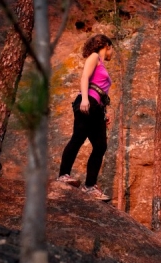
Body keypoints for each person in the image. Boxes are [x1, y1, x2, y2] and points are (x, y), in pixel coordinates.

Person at [56, 34, 113, 201]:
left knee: (101, 146)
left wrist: (105, 110)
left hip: (98, 107)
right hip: (87, 103)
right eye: (112, 49)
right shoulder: (94, 57)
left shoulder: (102, 64)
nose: (112, 53)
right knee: (78, 137)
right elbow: (84, 78)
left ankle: (89, 186)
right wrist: (86, 99)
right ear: (106, 46)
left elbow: (102, 90)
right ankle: (63, 175)